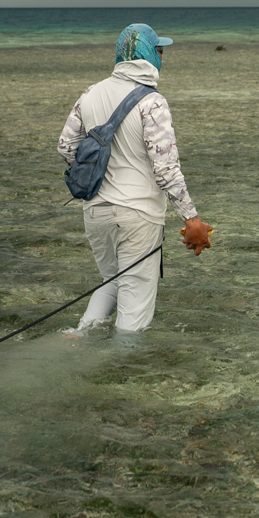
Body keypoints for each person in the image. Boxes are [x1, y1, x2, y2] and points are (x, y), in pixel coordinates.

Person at [57, 23, 213, 334]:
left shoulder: (89, 94)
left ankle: (77, 337)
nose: (162, 57)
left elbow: (65, 147)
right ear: (148, 54)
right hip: (138, 216)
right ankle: (121, 367)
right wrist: (191, 218)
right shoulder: (152, 102)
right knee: (135, 310)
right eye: (160, 50)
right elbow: (165, 168)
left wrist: (103, 172)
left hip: (96, 212)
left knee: (111, 282)